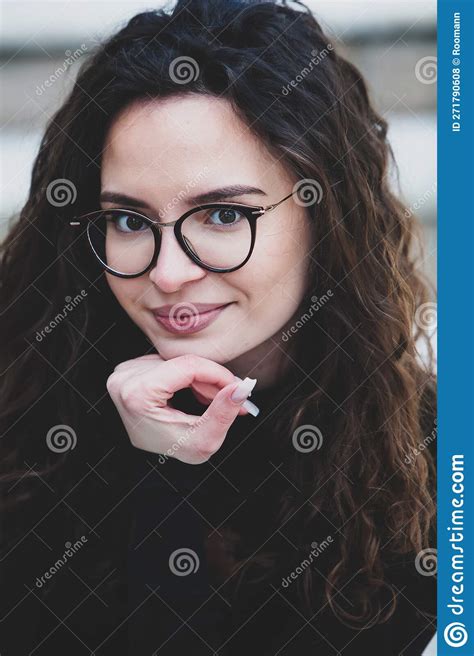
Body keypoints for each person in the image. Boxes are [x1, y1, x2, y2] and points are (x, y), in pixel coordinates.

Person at [0, 0, 437, 654]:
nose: (170, 274)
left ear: (324, 213)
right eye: (127, 220)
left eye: (224, 216)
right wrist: (165, 477)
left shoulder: (430, 462)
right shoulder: (26, 438)